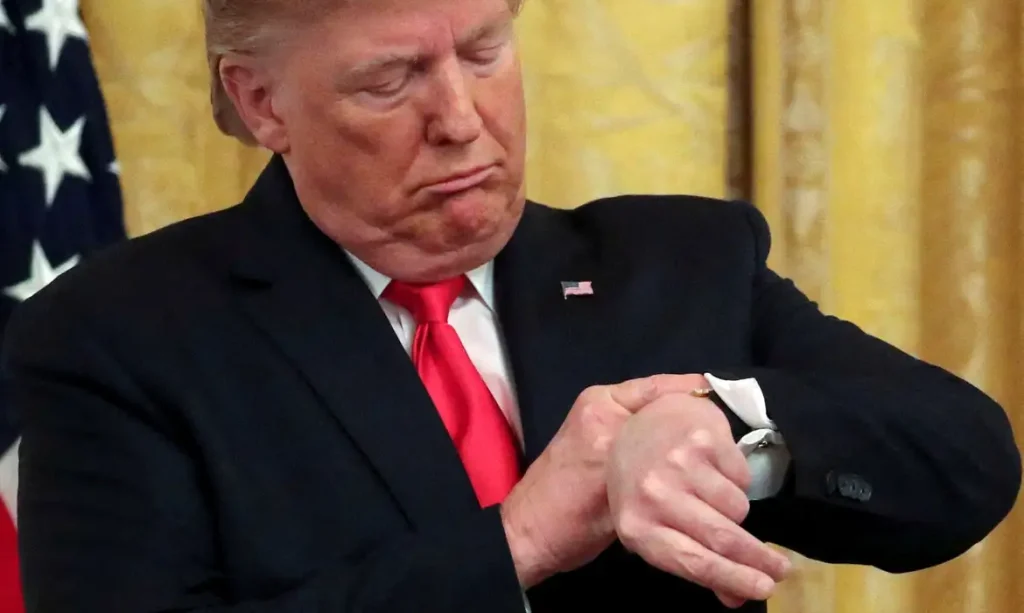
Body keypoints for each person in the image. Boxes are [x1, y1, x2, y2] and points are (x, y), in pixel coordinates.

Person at [2, 0, 1020, 611]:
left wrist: (724, 425)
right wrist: (516, 541)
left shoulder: (675, 261)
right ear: (262, 101)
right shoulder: (118, 336)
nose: (460, 119)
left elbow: (964, 461)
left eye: (484, 51)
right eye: (391, 80)